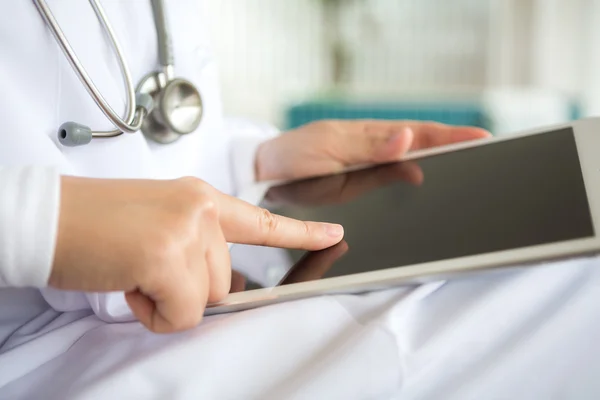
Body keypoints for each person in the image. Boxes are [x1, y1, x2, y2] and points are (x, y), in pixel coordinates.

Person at [2, 2, 600, 399]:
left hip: (192, 298)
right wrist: (40, 225)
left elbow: (139, 130)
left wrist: (251, 165)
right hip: (37, 355)